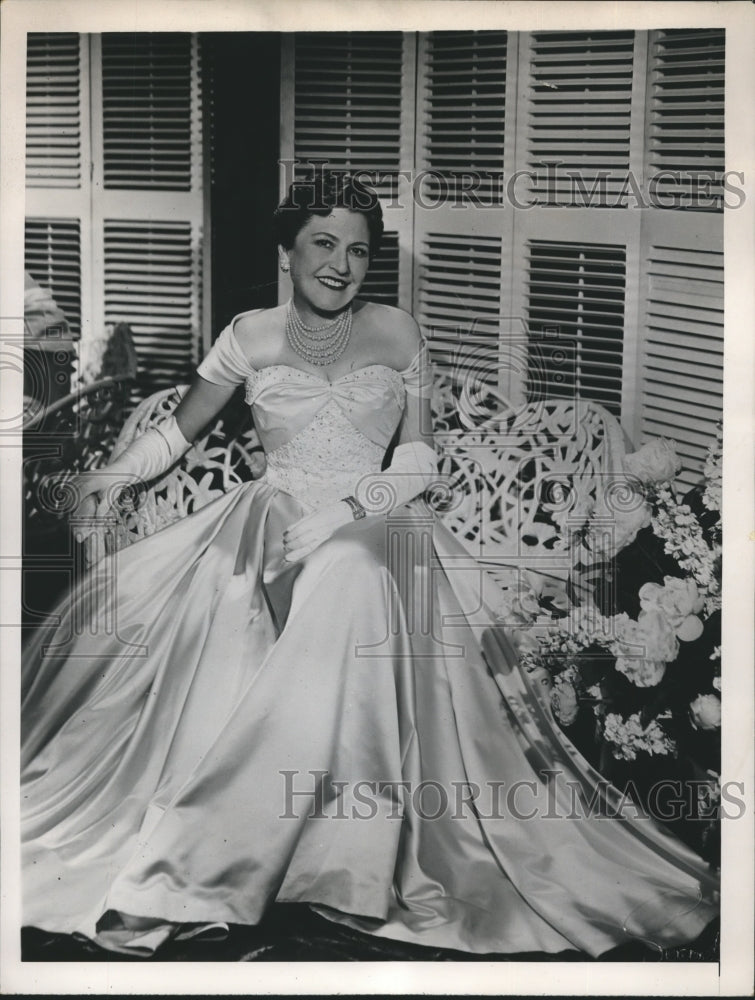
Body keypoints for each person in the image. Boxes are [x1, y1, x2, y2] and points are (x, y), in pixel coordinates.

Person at [21, 172, 719, 959]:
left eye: (358, 250)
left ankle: (323, 859)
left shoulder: (396, 331)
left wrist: (347, 512)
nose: (340, 264)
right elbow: (178, 434)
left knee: (350, 571)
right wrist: (112, 475)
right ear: (286, 250)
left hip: (377, 519)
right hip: (271, 517)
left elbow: (419, 456)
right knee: (255, 589)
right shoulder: (248, 333)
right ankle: (250, 846)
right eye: (323, 243)